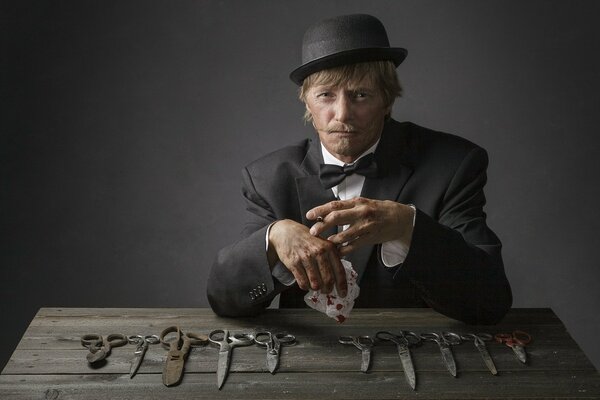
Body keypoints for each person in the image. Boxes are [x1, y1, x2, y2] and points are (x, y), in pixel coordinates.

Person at [207, 14, 512, 325]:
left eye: (361, 95)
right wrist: (272, 240)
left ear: (387, 100)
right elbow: (225, 298)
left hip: (419, 356)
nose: (342, 114)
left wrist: (409, 227)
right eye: (326, 95)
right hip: (308, 364)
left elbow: (488, 302)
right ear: (307, 103)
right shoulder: (268, 178)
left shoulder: (454, 165)